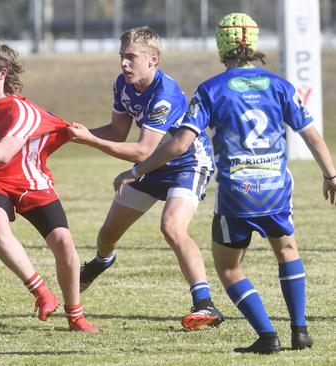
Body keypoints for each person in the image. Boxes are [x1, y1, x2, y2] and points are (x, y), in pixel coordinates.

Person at [113, 13, 336, 354]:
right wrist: (330, 175)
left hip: (238, 194)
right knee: (288, 251)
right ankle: (300, 330)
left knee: (229, 266)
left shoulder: (212, 90)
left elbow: (179, 145)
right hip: (276, 189)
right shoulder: (279, 86)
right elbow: (311, 135)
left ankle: (266, 335)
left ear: (221, 45)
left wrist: (139, 170)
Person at [67, 26, 224, 331]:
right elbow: (115, 133)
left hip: (186, 163)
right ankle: (102, 261)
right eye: (121, 57)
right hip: (152, 166)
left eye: (131, 57)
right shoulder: (123, 85)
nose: (124, 64)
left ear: (153, 58)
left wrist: (88, 140)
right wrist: (69, 134)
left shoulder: (163, 94)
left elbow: (141, 151)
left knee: (172, 226)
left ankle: (204, 303)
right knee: (107, 235)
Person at [0, 40, 99, 333]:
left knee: (64, 244)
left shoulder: (22, 112)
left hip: (30, 181)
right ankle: (41, 292)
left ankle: (76, 317)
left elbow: (2, 152)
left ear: (1, 73)